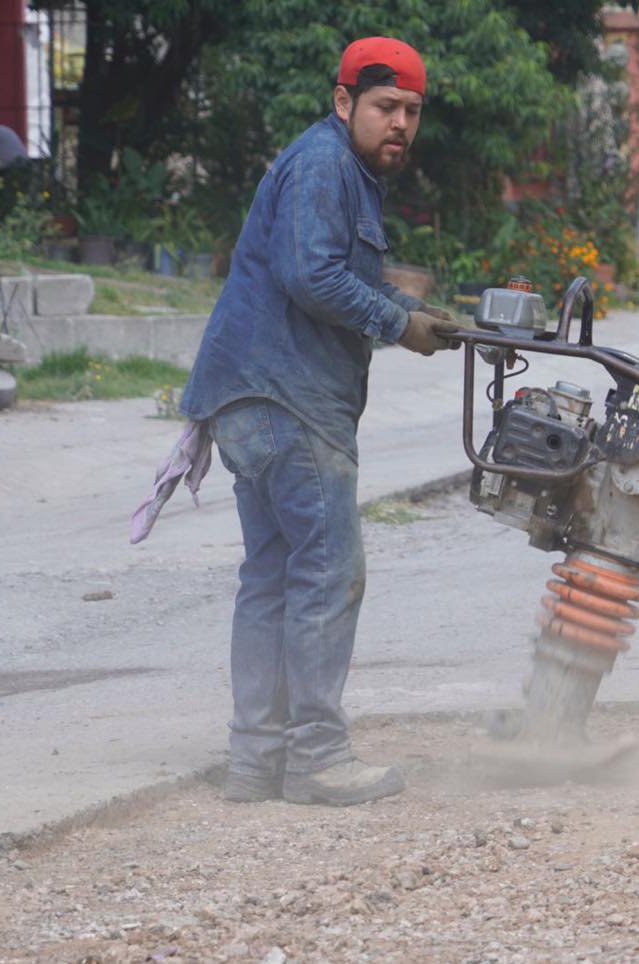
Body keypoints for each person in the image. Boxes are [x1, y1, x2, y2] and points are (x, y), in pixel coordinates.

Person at [178, 37, 459, 807]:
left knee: (272, 579)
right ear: (344, 103)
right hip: (287, 399)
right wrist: (397, 325)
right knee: (327, 572)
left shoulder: (344, 171)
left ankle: (255, 763)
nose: (399, 123)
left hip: (249, 396)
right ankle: (317, 760)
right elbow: (312, 277)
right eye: (384, 107)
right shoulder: (325, 162)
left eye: (410, 111)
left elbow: (336, 272)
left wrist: (415, 313)